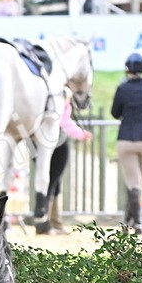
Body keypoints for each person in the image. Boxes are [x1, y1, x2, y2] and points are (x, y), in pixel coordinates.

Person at [110, 52, 142, 234]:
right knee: (139, 183)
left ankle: (137, 222)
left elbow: (115, 113)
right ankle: (129, 221)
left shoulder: (123, 89)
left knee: (133, 183)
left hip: (127, 139)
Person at [38, 96, 93, 235]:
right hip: (57, 138)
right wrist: (80, 134)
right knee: (52, 180)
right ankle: (45, 222)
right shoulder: (61, 94)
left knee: (53, 181)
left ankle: (54, 221)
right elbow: (63, 121)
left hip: (39, 137)